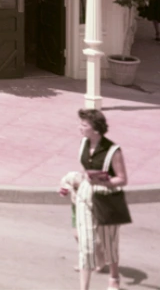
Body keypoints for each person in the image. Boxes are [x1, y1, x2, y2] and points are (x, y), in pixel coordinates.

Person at [57, 109, 128, 290]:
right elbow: (85, 171)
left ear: (96, 129)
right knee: (86, 245)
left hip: (107, 197)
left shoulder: (113, 151)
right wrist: (70, 183)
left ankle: (114, 279)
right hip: (86, 195)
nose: (79, 127)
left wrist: (103, 180)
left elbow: (122, 179)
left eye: (84, 125)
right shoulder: (83, 144)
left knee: (109, 242)